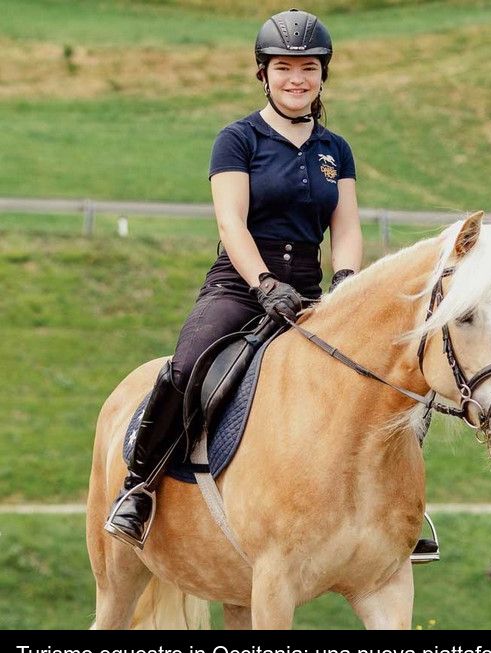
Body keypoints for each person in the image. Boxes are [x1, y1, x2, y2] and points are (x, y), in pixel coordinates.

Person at [104, 9, 438, 560]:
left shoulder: (336, 150)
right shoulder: (237, 139)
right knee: (188, 366)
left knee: (396, 380)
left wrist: (348, 284)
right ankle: (138, 487)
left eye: (308, 68)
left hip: (312, 290)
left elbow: (346, 226)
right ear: (263, 73)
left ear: (323, 75)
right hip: (239, 285)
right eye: (284, 68)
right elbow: (230, 221)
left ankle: (399, 509)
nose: (296, 79)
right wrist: (261, 283)